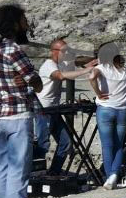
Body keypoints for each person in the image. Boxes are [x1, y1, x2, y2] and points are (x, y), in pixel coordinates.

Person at [0, 4, 50, 198]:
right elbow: (35, 82)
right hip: (18, 114)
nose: (27, 24)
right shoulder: (12, 49)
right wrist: (30, 82)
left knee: (2, 167)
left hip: (0, 116)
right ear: (14, 23)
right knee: (19, 170)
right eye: (24, 20)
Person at [35, 38, 97, 174]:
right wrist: (86, 71)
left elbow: (75, 63)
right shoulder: (49, 65)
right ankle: (35, 173)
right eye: (64, 51)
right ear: (54, 51)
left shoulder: (60, 63)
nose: (67, 53)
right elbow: (60, 76)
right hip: (44, 110)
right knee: (42, 144)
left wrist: (92, 61)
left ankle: (54, 172)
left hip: (53, 109)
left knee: (66, 142)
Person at [90, 42, 126, 189]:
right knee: (119, 144)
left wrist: (98, 93)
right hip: (122, 110)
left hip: (105, 108)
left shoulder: (101, 68)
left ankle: (109, 177)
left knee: (107, 146)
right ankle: (114, 174)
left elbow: (92, 77)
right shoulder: (125, 68)